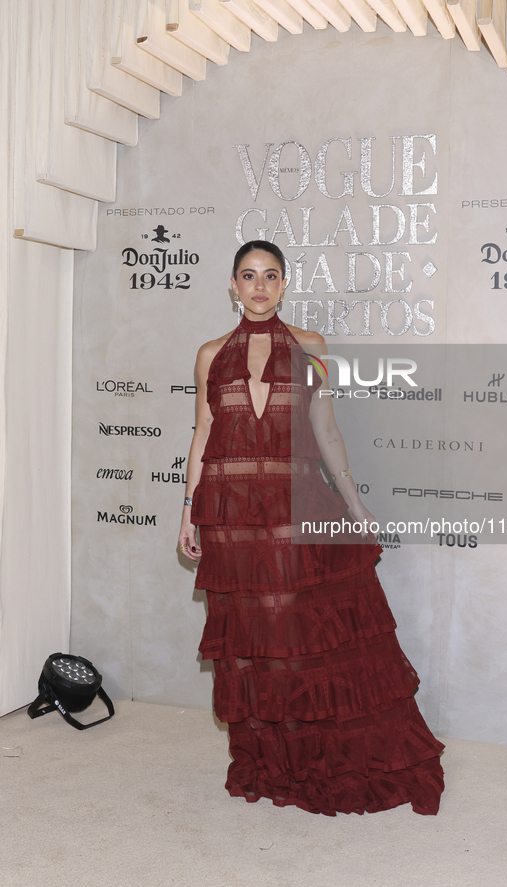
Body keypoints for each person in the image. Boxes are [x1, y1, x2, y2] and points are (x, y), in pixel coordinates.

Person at [178, 241, 444, 816]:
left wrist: (353, 501)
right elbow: (202, 435)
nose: (258, 287)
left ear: (284, 284)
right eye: (248, 276)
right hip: (229, 516)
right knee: (252, 646)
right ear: (231, 283)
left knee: (295, 640)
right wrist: (188, 512)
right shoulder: (209, 356)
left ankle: (309, 759)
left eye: (270, 276)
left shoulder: (312, 349)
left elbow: (325, 431)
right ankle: (268, 759)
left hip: (292, 507)